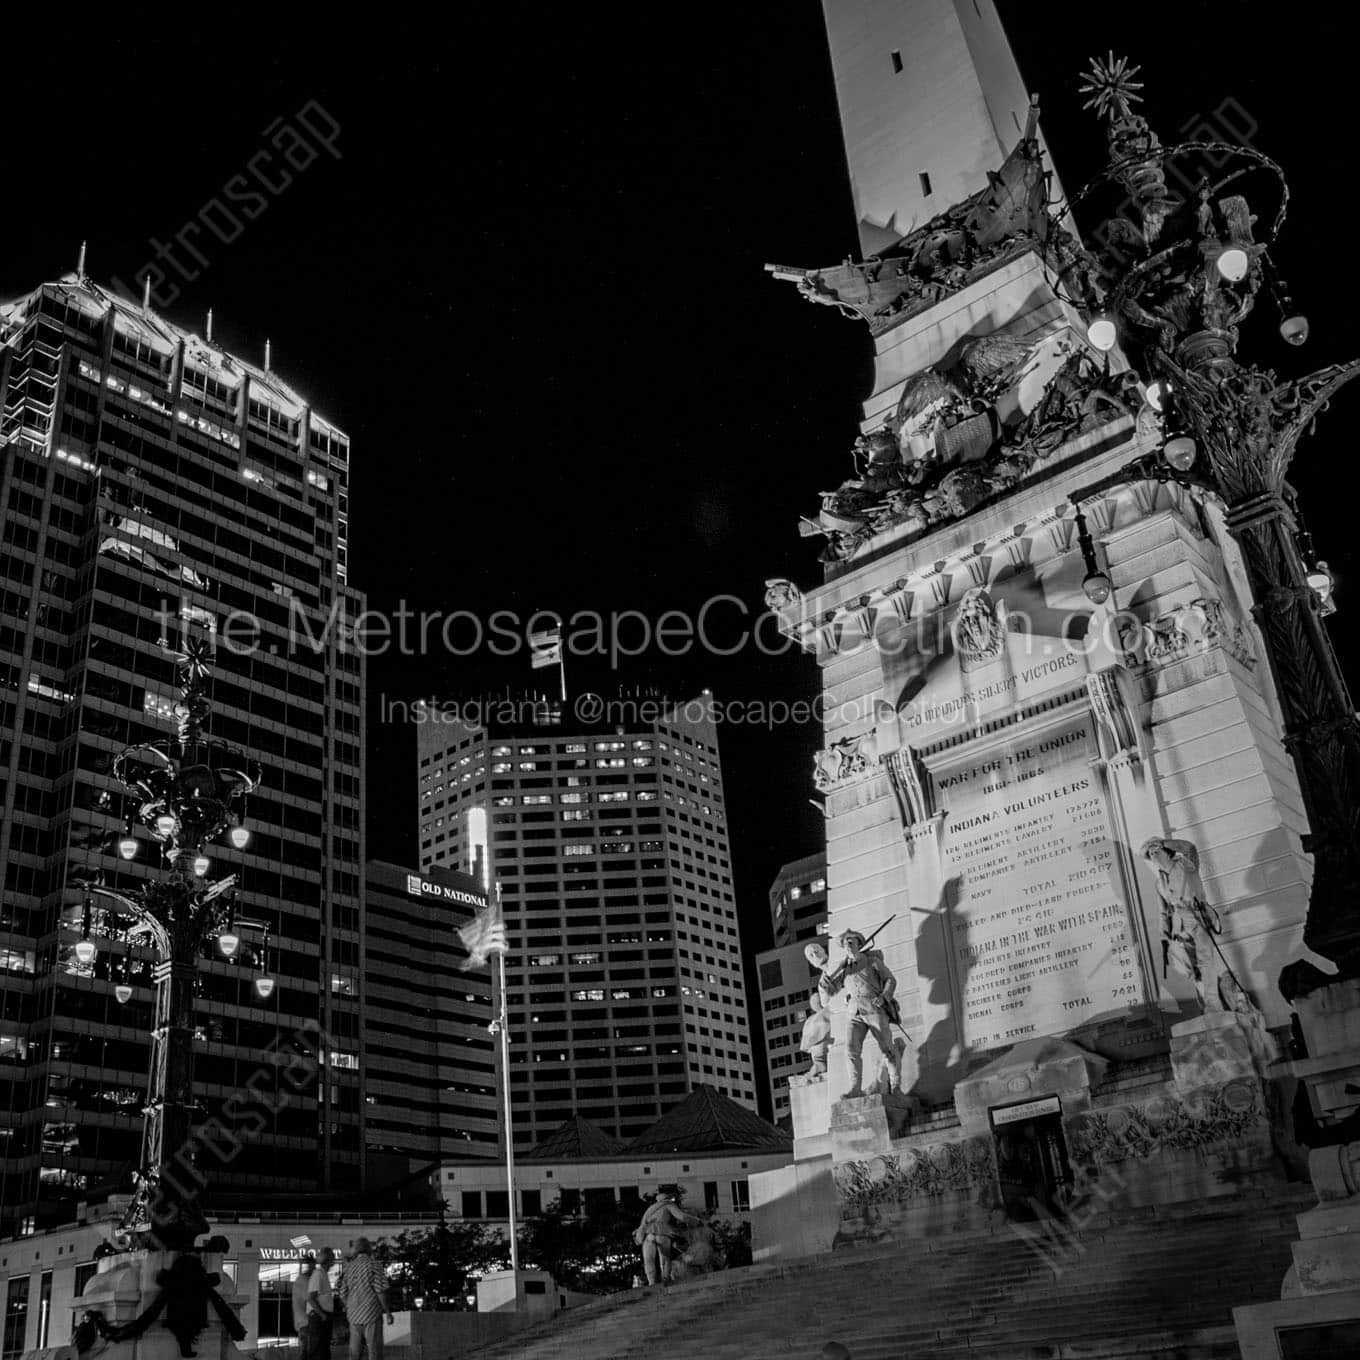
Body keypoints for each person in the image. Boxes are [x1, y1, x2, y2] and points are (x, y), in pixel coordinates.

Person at [1142, 837, 1228, 1012]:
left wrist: (1164, 843)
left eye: (1156, 851)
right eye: (1151, 854)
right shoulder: (1159, 884)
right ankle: (1206, 1003)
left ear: (1167, 853)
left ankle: (1214, 1004)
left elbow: (1190, 848)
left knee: (1206, 961)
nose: (1154, 856)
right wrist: (1164, 936)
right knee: (1191, 969)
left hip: (1196, 917)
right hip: (1178, 927)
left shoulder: (1185, 865)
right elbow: (1163, 912)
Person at [821, 929, 901, 1098]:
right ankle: (855, 1088)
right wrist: (824, 984)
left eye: (851, 942)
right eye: (845, 944)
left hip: (874, 1008)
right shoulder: (844, 969)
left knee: (888, 1049)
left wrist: (884, 996)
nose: (848, 946)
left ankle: (896, 1086)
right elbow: (831, 990)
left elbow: (890, 980)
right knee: (850, 1050)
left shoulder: (872, 962)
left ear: (859, 944)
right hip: (853, 1012)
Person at [337, 1238, 392, 1360]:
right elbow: (380, 1290)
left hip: (354, 1316)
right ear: (369, 1249)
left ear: (356, 1250)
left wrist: (350, 1306)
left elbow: (342, 1294)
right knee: (374, 1351)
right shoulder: (374, 1265)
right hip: (371, 1314)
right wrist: (387, 1311)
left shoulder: (349, 1268)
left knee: (354, 1353)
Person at [632, 1187, 696, 1286]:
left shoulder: (649, 1209)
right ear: (667, 1198)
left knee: (649, 1260)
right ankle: (665, 1279)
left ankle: (651, 1282)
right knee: (665, 1258)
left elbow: (642, 1224)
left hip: (648, 1234)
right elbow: (682, 1216)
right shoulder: (668, 1205)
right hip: (662, 1232)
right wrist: (696, 1220)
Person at [306, 1248, 337, 1359]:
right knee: (318, 1351)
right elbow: (310, 1298)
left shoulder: (322, 1274)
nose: (333, 1262)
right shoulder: (318, 1274)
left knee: (323, 1350)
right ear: (328, 1260)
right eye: (332, 1259)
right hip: (319, 1318)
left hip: (321, 1316)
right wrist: (322, 1315)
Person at [291, 1252, 316, 1359]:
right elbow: (310, 1300)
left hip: (302, 1322)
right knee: (306, 1352)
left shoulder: (301, 1280)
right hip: (306, 1322)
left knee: (306, 1351)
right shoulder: (304, 1281)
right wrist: (323, 1314)